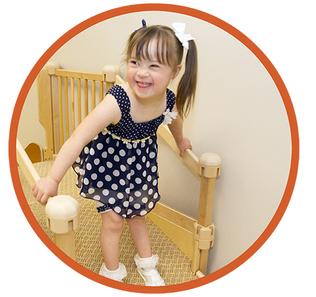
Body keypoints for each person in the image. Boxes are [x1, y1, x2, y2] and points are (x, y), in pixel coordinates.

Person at [32, 20, 198, 286]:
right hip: (110, 163)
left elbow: (174, 119)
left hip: (141, 164)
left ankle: (146, 263)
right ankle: (111, 272)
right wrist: (51, 179)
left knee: (138, 214)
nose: (142, 73)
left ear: (174, 72)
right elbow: (78, 138)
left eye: (154, 65)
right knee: (114, 220)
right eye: (135, 62)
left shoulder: (168, 99)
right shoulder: (118, 101)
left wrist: (180, 141)